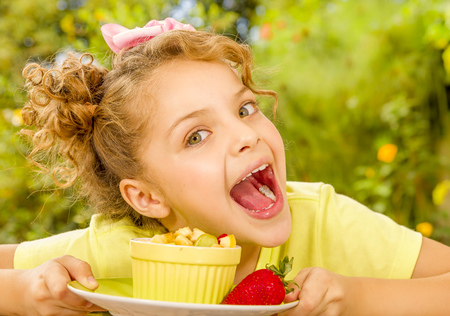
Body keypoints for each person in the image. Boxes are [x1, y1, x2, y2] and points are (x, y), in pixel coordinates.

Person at [1, 16, 450, 316]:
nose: (246, 135)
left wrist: (355, 297)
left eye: (245, 109)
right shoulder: (124, 247)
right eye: (196, 136)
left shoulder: (324, 220)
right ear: (147, 197)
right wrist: (26, 291)